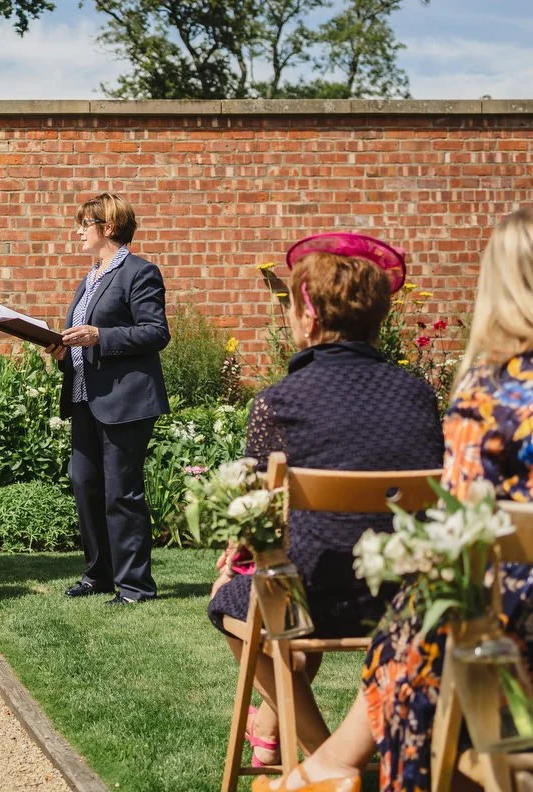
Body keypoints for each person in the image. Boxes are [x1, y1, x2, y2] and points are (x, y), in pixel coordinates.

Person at [258, 207, 533, 792]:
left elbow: (456, 532)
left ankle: (321, 758)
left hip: (490, 631)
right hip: (393, 587)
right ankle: (323, 756)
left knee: (248, 599)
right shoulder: (414, 394)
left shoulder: (490, 397)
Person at [207, 236, 442, 770]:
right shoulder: (417, 395)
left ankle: (330, 764)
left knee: (234, 598)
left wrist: (234, 563)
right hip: (408, 599)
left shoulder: (280, 402)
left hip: (314, 600)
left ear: (308, 319)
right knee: (286, 580)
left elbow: (255, 517)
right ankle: (284, 735)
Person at [46, 193, 169, 605]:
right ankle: (98, 575)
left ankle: (135, 587)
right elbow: (82, 340)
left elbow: (156, 332)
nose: (78, 231)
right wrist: (64, 351)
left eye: (85, 224)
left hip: (125, 402)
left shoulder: (139, 273)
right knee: (85, 484)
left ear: (109, 227)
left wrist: (100, 336)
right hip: (84, 398)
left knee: (122, 492)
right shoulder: (90, 279)